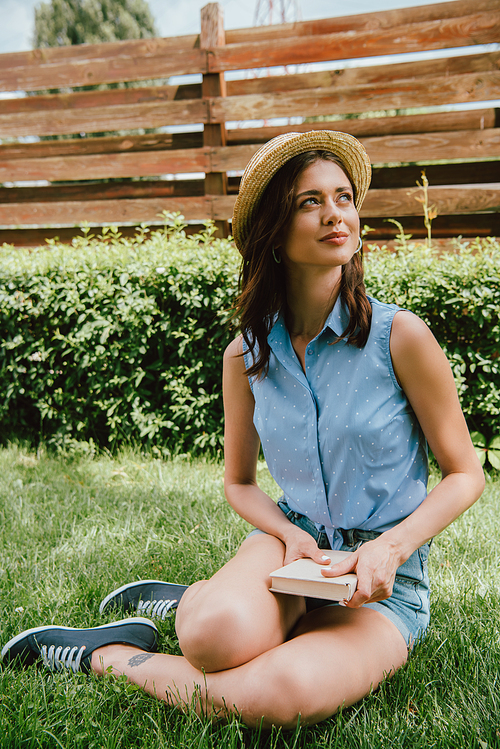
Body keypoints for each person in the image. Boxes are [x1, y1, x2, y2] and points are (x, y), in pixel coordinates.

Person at [1, 131, 485, 729]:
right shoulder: (246, 356)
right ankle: (201, 604)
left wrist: (390, 547)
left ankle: (106, 656)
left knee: (278, 698)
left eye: (343, 198)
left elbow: (466, 473)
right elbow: (240, 484)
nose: (336, 214)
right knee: (210, 639)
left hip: (382, 586)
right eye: (311, 202)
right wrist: (290, 536)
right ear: (273, 232)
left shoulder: (400, 337)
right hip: (292, 552)